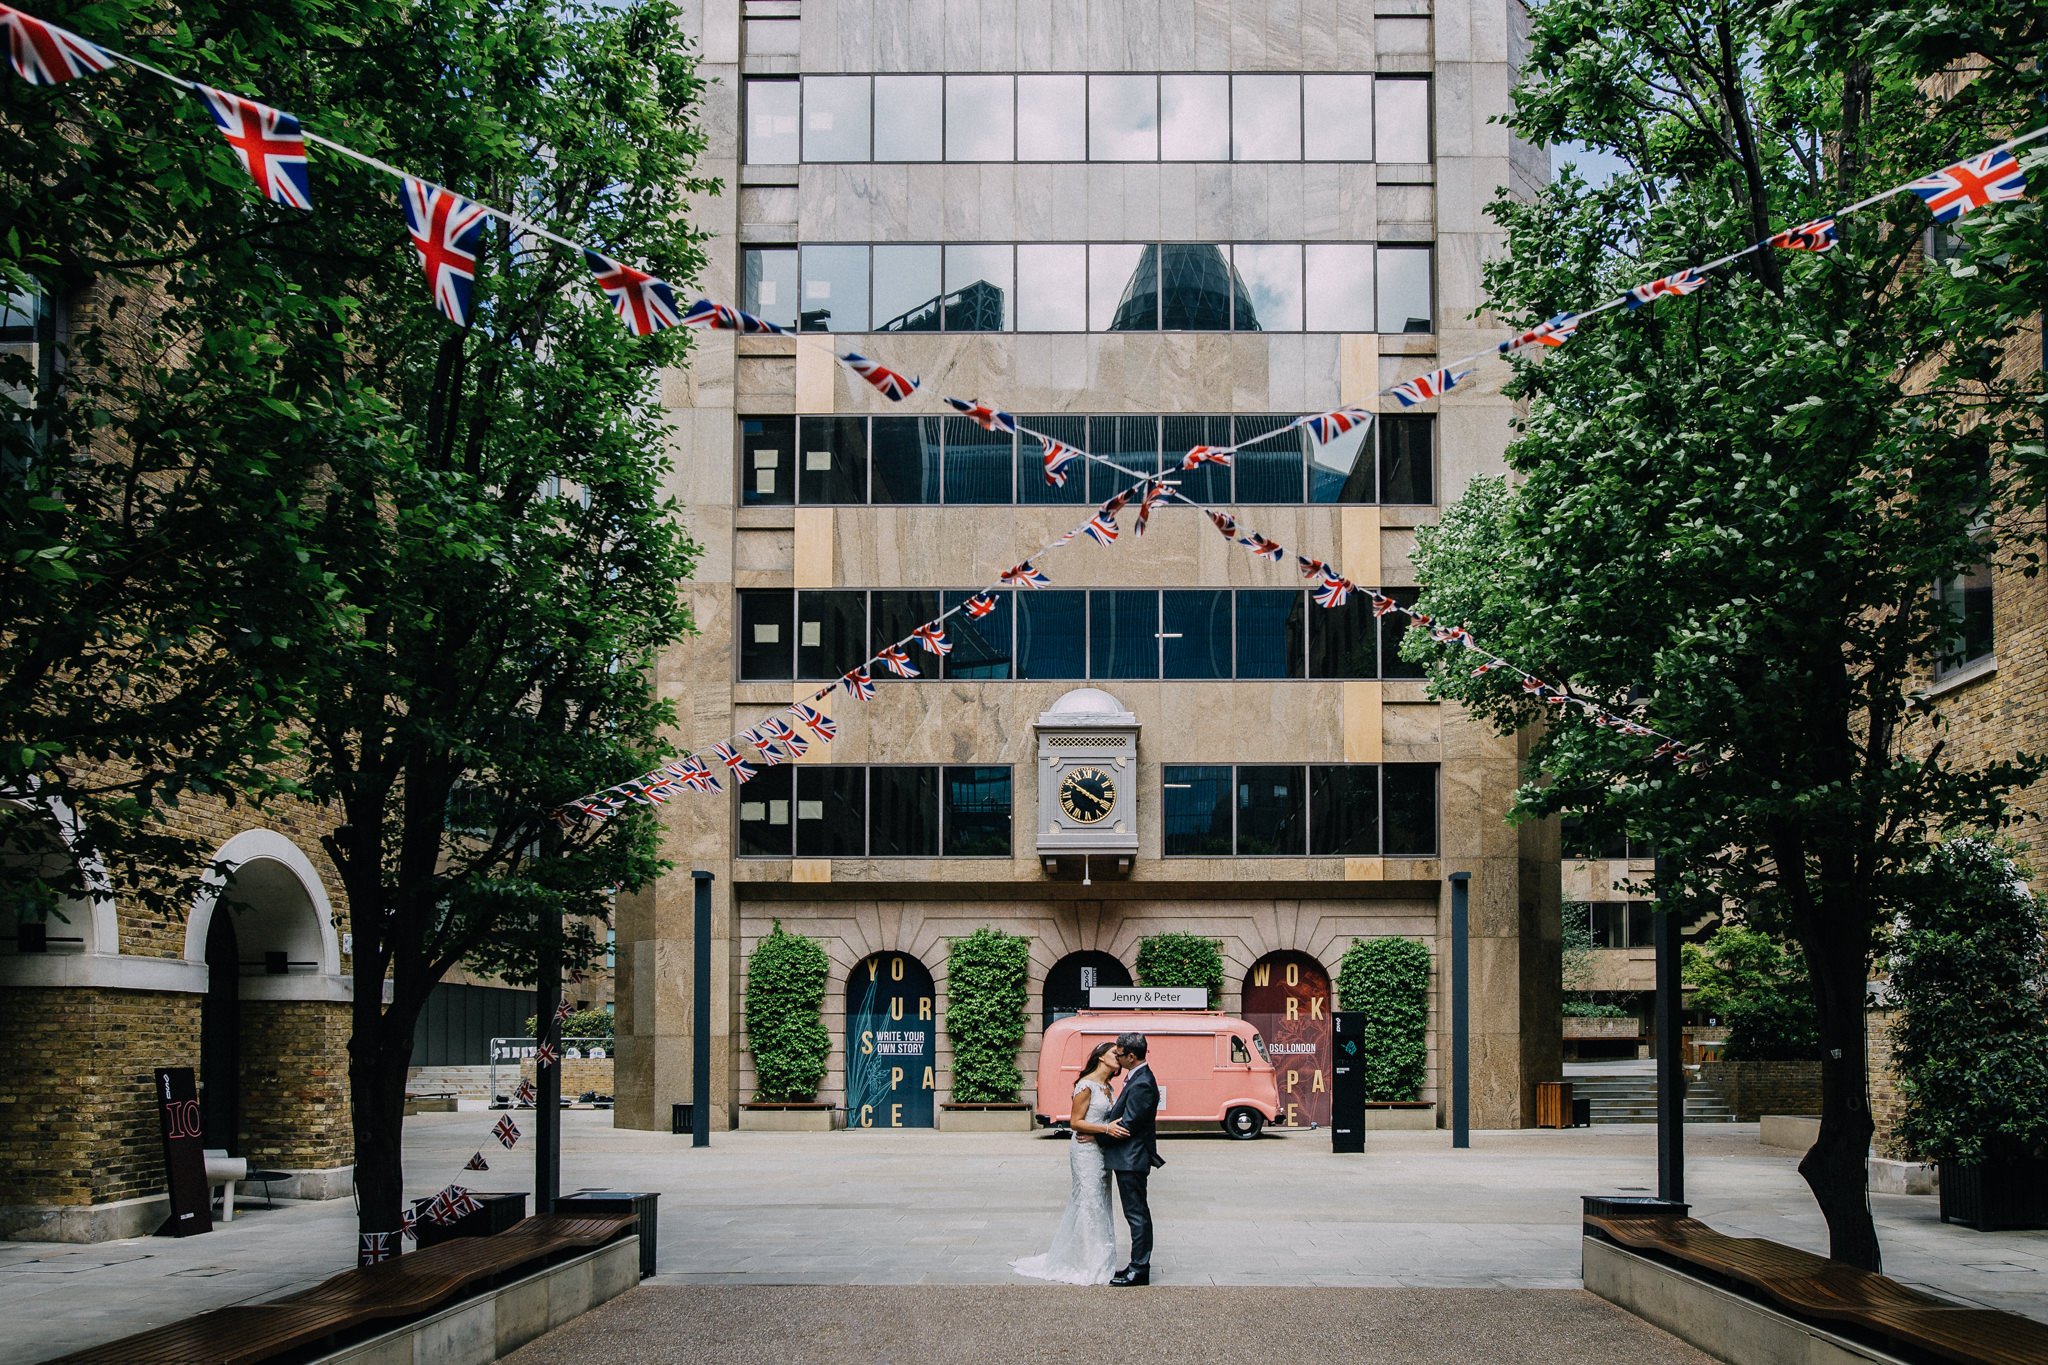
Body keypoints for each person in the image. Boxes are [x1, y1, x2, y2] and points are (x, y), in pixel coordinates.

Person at [1011, 1041, 1125, 1284]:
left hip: (1100, 1147)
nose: (1119, 1057)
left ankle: (1100, 1258)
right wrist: (1105, 1128)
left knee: (1101, 1201)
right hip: (1085, 1150)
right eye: (1114, 1053)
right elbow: (1075, 1122)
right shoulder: (1086, 1086)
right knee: (1088, 1200)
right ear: (1101, 1057)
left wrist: (1102, 1132)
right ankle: (1086, 1262)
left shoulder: (1107, 1087)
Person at [1097, 1033, 1164, 1286]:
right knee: (1135, 1213)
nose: (1118, 1057)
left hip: (1132, 1158)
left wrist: (1099, 1137)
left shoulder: (1142, 1082)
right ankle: (1135, 1265)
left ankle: (1139, 1269)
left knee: (1136, 1214)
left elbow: (1129, 1124)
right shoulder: (1138, 1078)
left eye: (1120, 1054)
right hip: (1129, 1158)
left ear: (1132, 1056)